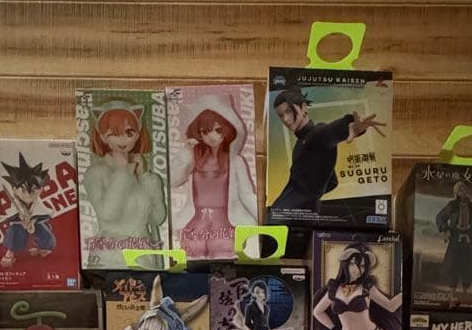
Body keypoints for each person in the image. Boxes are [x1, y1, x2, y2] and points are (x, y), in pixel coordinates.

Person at [270, 87, 384, 216]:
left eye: (289, 111)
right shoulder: (301, 142)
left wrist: (350, 127)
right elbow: (332, 182)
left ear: (304, 108)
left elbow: (328, 131)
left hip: (290, 214)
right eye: (281, 115)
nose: (285, 119)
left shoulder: (315, 134)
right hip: (292, 212)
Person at [169, 97, 257, 259]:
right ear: (197, 133)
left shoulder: (235, 161)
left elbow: (246, 194)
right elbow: (173, 181)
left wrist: (263, 219)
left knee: (225, 249)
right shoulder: (194, 159)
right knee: (193, 250)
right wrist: (187, 153)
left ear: (228, 129)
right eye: (204, 131)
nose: (212, 136)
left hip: (226, 220)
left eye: (218, 130)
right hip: (196, 219)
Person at [83, 103, 167, 262]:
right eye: (113, 134)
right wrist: (122, 173)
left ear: (137, 135)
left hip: (143, 255)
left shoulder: (145, 176)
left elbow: (157, 218)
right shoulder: (96, 173)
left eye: (129, 133)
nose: (122, 139)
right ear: (102, 136)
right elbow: (107, 214)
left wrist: (144, 176)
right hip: (111, 256)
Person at [312, 242, 403, 330]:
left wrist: (408, 290)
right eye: (354, 264)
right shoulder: (334, 289)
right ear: (345, 263)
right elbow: (317, 312)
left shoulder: (366, 287)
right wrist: (335, 329)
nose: (358, 269)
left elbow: (390, 306)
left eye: (362, 266)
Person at [0, 153, 55, 267]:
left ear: (40, 190)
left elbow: (43, 213)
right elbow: (11, 216)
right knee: (14, 232)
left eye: (33, 190)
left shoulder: (37, 202)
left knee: (44, 230)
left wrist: (33, 221)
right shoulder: (15, 203)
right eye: (23, 190)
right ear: (14, 189)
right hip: (19, 224)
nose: (29, 195)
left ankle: (43, 247)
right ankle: (10, 252)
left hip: (34, 222)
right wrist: (22, 220)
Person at [435, 180, 472, 301]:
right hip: (455, 239)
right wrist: (446, 229)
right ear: (456, 193)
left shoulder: (471, 206)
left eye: (463, 189)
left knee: (469, 266)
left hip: (468, 240)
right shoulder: (452, 205)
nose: (462, 192)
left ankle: (465, 296)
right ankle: (452, 297)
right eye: (459, 190)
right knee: (452, 266)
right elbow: (440, 217)